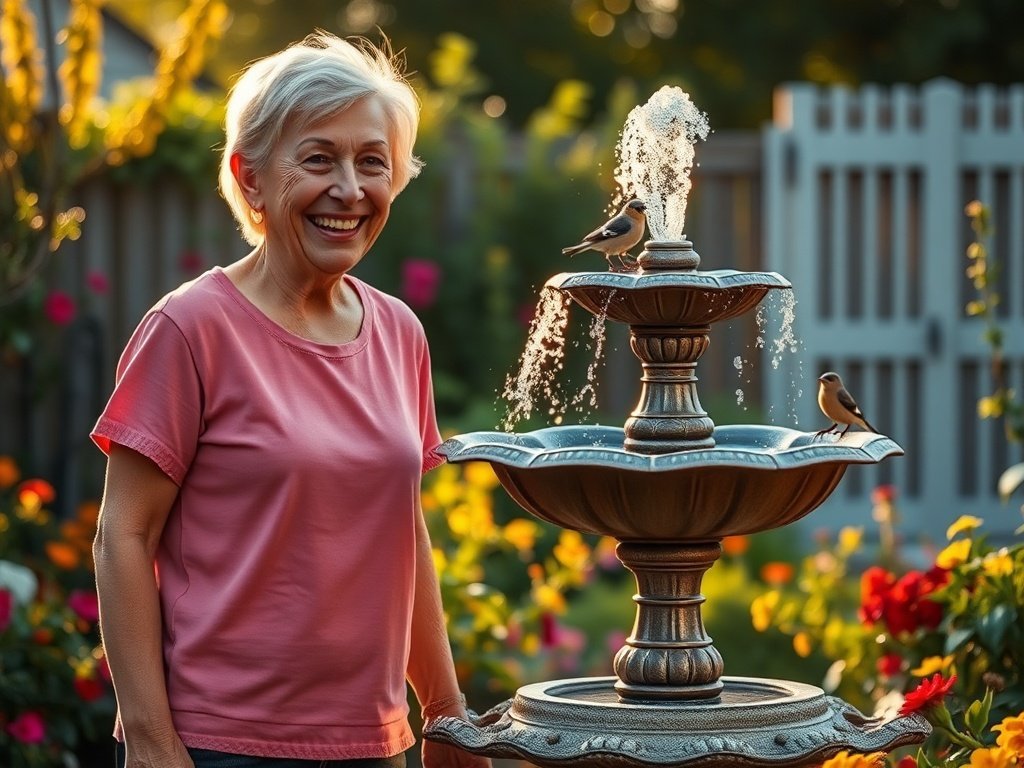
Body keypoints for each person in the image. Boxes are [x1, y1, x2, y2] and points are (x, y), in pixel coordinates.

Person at [91, 31, 492, 768]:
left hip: (370, 742)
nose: (350, 188)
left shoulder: (399, 332)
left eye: (373, 162)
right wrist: (150, 739)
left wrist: (443, 711)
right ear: (250, 178)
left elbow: (404, 532)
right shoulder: (189, 328)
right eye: (318, 158)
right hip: (216, 745)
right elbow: (123, 536)